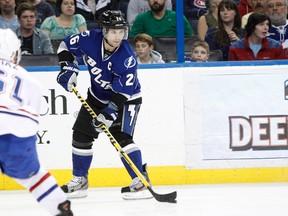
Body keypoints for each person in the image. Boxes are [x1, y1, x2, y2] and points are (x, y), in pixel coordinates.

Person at [56, 10, 153, 200]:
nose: (118, 36)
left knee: (121, 137)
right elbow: (64, 45)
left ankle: (140, 180)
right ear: (104, 30)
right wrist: (67, 67)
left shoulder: (126, 57)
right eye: (114, 31)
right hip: (96, 96)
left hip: (126, 99)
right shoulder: (88, 39)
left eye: (121, 31)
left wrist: (109, 113)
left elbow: (123, 92)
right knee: (81, 135)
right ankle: (80, 180)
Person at [0, 28, 73, 216]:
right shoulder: (29, 79)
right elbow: (31, 120)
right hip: (16, 133)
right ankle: (60, 207)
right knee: (33, 177)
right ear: (15, 54)